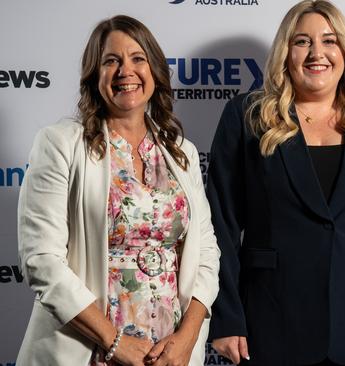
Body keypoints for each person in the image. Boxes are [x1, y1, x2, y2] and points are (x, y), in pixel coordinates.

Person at [206, 1, 345, 365]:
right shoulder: (247, 116)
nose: (316, 53)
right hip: (272, 320)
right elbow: (220, 225)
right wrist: (226, 316)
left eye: (329, 40)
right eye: (302, 41)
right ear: (285, 53)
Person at [16, 15, 220, 366]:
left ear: (154, 70)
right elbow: (41, 260)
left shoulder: (181, 152)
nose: (126, 70)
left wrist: (187, 339)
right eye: (111, 61)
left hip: (168, 354)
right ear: (95, 76)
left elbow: (206, 253)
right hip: (88, 348)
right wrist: (116, 343)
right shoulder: (61, 143)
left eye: (138, 58)